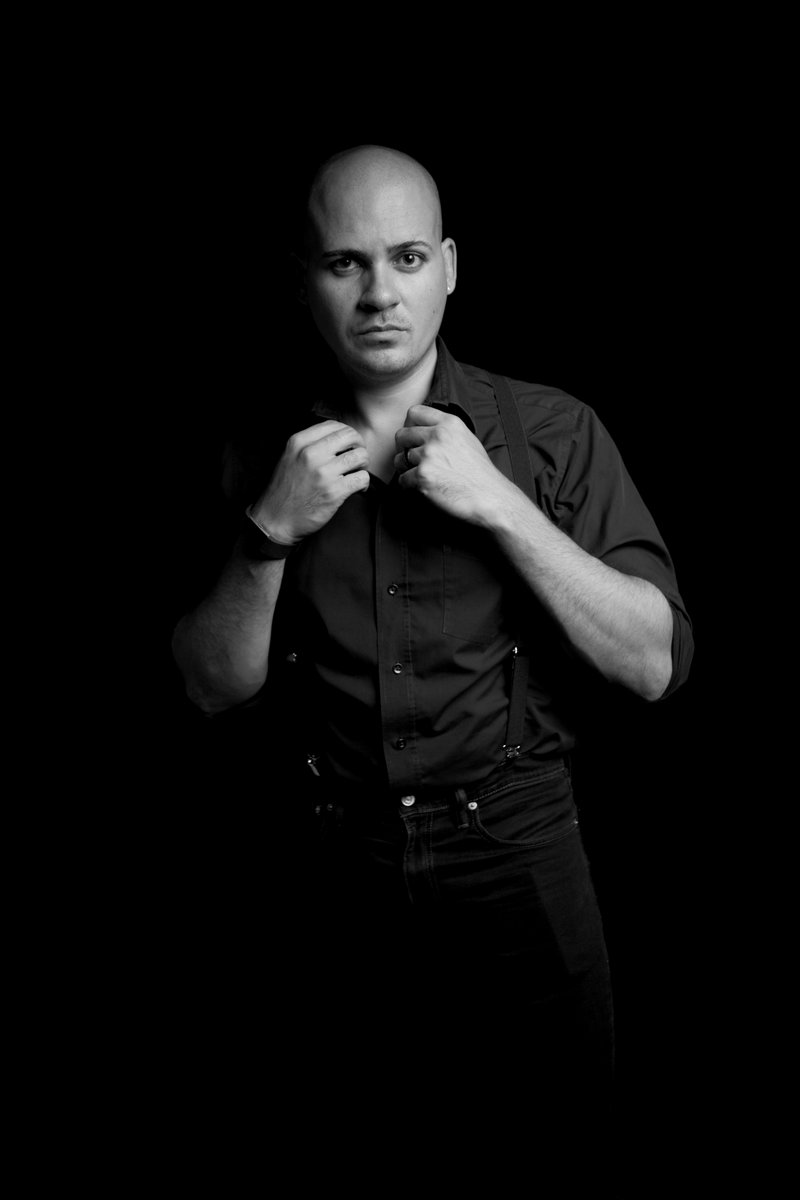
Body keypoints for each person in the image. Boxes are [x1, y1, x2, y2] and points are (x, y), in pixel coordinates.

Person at [171, 144, 693, 1126]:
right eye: (346, 263)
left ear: (448, 267)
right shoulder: (253, 453)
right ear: (303, 281)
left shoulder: (552, 432)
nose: (379, 294)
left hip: (518, 857)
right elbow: (208, 686)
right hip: (332, 872)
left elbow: (652, 664)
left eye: (406, 258)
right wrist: (267, 532)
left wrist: (499, 503)